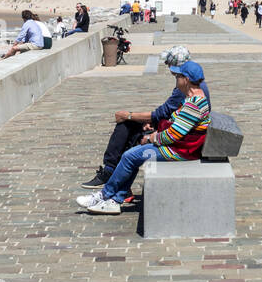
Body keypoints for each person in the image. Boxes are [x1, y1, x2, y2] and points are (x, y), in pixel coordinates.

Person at [77, 59, 211, 214]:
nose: (176, 80)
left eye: (177, 77)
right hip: (180, 147)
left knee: (130, 156)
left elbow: (173, 135)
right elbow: (176, 122)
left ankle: (105, 195)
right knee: (133, 154)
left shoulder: (194, 104)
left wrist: (151, 138)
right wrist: (156, 126)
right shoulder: (193, 98)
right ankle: (114, 199)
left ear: (186, 80)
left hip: (179, 151)